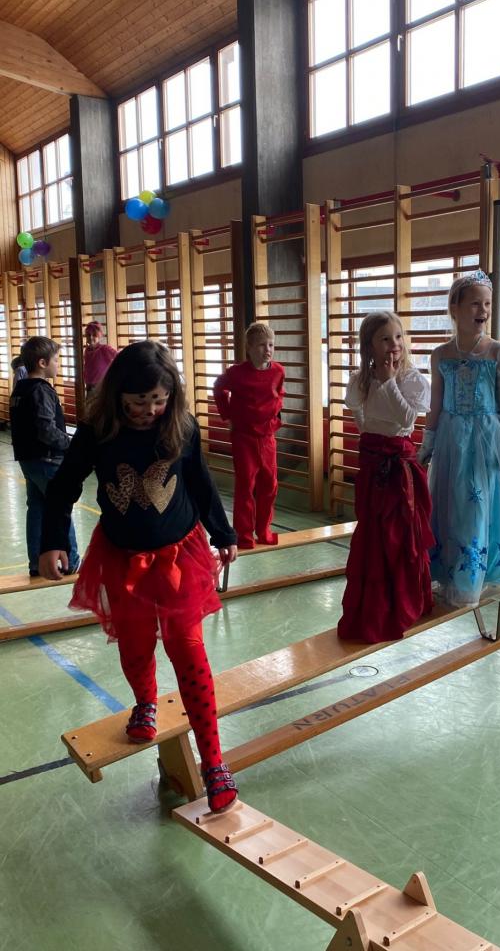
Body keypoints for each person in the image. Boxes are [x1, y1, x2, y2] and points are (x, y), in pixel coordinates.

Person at [39, 341, 239, 814]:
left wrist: (223, 531)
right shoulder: (98, 432)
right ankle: (145, 701)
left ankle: (213, 760)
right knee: (135, 644)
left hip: (179, 557)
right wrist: (51, 542)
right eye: (138, 402)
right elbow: (64, 486)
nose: (149, 411)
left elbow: (200, 482)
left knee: (188, 650)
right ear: (117, 397)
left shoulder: (181, 426)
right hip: (121, 558)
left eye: (158, 400)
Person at [420, 270, 500, 608]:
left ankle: (473, 577)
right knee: (452, 503)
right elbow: (436, 402)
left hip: (486, 438)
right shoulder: (440, 354)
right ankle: (451, 571)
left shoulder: (497, 351)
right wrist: (428, 441)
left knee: (478, 504)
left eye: (487, 304)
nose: (482, 310)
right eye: (475, 303)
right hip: (451, 438)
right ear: (454, 308)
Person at [338, 312, 433, 643]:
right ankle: (373, 606)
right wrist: (372, 436)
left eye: (398, 337)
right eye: (385, 339)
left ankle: (404, 601)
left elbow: (406, 419)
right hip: (372, 460)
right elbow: (361, 419)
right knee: (373, 531)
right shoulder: (360, 380)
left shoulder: (410, 379)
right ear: (370, 346)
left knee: (399, 534)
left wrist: (389, 380)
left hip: (399, 466)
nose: (394, 344)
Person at [10, 336, 79, 577]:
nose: (58, 364)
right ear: (42, 363)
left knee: (38, 509)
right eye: (56, 360)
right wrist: (71, 445)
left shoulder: (20, 388)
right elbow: (46, 429)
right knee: (60, 508)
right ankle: (70, 560)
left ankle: (36, 563)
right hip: (47, 460)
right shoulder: (40, 390)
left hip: (28, 460)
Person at [213, 322, 285, 549]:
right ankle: (244, 535)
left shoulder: (278, 371)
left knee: (269, 485)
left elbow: (279, 394)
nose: (268, 349)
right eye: (262, 345)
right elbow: (219, 388)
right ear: (250, 348)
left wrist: (274, 415)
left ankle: (264, 530)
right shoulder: (237, 373)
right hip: (244, 437)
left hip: (267, 437)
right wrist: (228, 414)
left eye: (271, 345)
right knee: (245, 486)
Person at [83, 321, 117, 394]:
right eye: (88, 335)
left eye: (94, 335)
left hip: (101, 387)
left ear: (99, 336)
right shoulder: (87, 350)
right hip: (89, 387)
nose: (91, 337)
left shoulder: (104, 349)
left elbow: (119, 356)